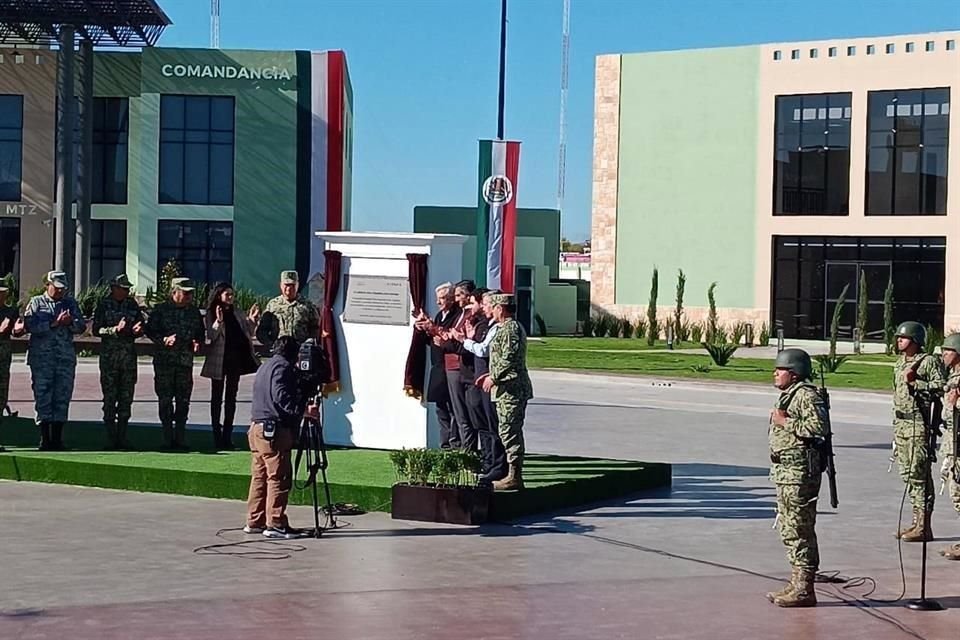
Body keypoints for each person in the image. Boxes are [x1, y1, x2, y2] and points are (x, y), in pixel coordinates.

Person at [766, 348, 828, 608]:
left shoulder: (805, 395)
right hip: (786, 471)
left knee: (799, 528)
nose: (775, 374)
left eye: (780, 370)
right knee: (789, 528)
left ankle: (805, 588)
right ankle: (797, 581)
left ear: (794, 373)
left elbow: (818, 428)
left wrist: (785, 423)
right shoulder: (790, 395)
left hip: (799, 473)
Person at [245, 335, 318, 539]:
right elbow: (281, 396)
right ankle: (275, 522)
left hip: (257, 428)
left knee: (260, 476)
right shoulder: (282, 367)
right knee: (278, 476)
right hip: (273, 430)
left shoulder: (265, 366)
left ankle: (255, 520)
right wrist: (304, 410)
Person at [891, 321, 945, 542]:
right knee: (907, 475)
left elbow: (942, 386)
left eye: (903, 338)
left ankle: (924, 525)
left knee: (919, 475)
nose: (899, 341)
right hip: (901, 424)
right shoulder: (900, 362)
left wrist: (917, 383)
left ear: (915, 341)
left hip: (918, 424)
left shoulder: (928, 361)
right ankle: (915, 522)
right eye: (898, 337)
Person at [449, 288, 507, 483]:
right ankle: (490, 462)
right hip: (481, 380)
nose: (484, 307)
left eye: (486, 304)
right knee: (485, 425)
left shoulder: (501, 328)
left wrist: (464, 340)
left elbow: (483, 351)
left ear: (498, 308)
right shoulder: (490, 325)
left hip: (488, 381)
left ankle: (497, 465)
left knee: (493, 426)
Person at [24, 270, 86, 450]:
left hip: (64, 359)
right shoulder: (37, 303)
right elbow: (30, 326)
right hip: (42, 360)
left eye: (63, 289)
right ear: (47, 285)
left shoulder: (70, 303)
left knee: (62, 397)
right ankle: (45, 438)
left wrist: (69, 323)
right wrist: (53, 323)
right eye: (56, 288)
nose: (60, 292)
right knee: (42, 396)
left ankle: (58, 439)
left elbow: (81, 326)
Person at [477, 293, 533, 490]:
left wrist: (494, 377)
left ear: (501, 309)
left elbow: (508, 357)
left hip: (512, 390)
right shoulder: (502, 328)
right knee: (505, 430)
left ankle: (514, 476)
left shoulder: (511, 328)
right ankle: (512, 474)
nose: (491, 310)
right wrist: (488, 376)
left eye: (494, 307)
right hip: (504, 390)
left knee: (510, 431)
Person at [146, 277, 205, 450]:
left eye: (190, 294)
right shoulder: (160, 310)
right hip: (164, 363)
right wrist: (163, 339)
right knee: (165, 400)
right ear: (174, 293)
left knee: (183, 401)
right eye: (185, 293)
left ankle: (180, 438)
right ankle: (167, 438)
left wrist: (197, 342)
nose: (188, 296)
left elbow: (200, 333)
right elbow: (150, 331)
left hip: (184, 363)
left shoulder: (193, 312)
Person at [201, 283, 261, 449]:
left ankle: (227, 436)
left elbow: (247, 331)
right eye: (227, 294)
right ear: (219, 295)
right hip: (219, 361)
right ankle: (216, 436)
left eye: (232, 294)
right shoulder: (212, 312)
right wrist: (219, 321)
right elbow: (211, 336)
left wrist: (252, 319)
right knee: (216, 399)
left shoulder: (237, 312)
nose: (230, 297)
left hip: (235, 360)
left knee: (231, 399)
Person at [93, 273, 146, 450]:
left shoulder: (132, 305)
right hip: (110, 360)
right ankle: (110, 436)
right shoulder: (103, 304)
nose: (126, 292)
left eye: (127, 289)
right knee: (109, 399)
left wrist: (138, 329)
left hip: (128, 359)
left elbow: (140, 325)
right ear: (114, 288)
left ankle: (122, 437)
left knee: (126, 398)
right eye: (123, 289)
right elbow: (96, 330)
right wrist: (114, 329)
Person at [415, 282, 462, 448]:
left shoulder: (457, 316)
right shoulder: (439, 315)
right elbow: (434, 341)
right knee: (440, 407)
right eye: (438, 299)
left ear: (451, 299)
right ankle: (444, 444)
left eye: (442, 298)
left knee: (453, 408)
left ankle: (455, 443)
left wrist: (434, 329)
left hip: (451, 367)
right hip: (438, 366)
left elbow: (448, 339)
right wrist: (424, 329)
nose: (438, 302)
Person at [432, 280, 476, 450]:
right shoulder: (452, 315)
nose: (457, 299)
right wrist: (431, 330)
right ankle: (452, 446)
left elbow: (462, 344)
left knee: (461, 412)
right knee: (444, 407)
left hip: (459, 367)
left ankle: (463, 449)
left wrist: (445, 340)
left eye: (459, 295)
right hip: (443, 366)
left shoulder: (466, 316)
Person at [938, 333, 960, 560]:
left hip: (959, 447)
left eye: (948, 350)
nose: (944, 354)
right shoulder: (953, 377)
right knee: (956, 494)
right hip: (952, 446)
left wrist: (957, 402)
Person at [255, 270, 319, 349]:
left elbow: (315, 328)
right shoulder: (273, 305)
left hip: (300, 351)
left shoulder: (308, 306)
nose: (289, 288)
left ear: (297, 285)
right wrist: (270, 344)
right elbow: (262, 330)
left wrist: (308, 343)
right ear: (280, 285)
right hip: (279, 351)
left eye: (292, 285)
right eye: (286, 285)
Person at [0, 284, 19, 452]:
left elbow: (16, 330)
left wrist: (18, 329)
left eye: (3, 293)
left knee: (1, 398)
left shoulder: (10, 311)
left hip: (3, 361)